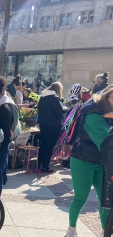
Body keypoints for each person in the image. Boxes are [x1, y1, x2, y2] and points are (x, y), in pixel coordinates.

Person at [65, 85, 113, 237]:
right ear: (106, 97)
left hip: (102, 161)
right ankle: (71, 230)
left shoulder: (107, 112)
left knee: (106, 201)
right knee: (80, 198)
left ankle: (106, 231)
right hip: (83, 160)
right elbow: (106, 141)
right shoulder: (92, 112)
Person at [37, 82, 67, 172]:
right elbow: (60, 111)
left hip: (43, 124)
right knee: (49, 146)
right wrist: (66, 107)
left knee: (43, 145)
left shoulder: (43, 97)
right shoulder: (54, 98)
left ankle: (39, 164)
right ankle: (45, 166)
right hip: (53, 126)